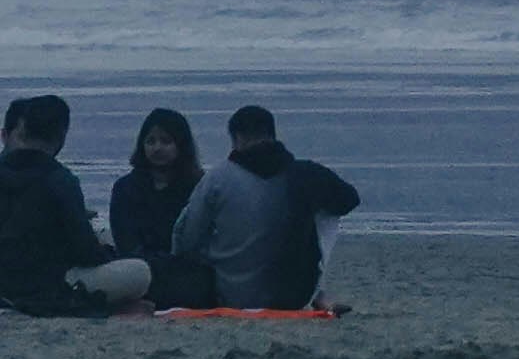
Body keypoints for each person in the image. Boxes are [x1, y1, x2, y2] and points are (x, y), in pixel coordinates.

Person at [171, 106, 361, 313]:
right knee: (325, 211)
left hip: (228, 293)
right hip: (293, 296)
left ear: (236, 138)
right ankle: (318, 293)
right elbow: (349, 200)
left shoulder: (218, 178)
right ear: (272, 135)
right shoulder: (306, 174)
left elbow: (188, 238)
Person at [0, 94, 153, 318]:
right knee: (140, 272)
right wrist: (108, 256)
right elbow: (84, 251)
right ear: (61, 135)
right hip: (47, 284)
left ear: (21, 131)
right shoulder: (60, 179)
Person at [109, 109, 208, 303]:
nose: (157, 148)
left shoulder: (199, 187)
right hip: (140, 270)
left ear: (181, 145)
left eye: (166, 141)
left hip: (186, 269)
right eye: (151, 141)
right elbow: (126, 241)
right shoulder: (125, 188)